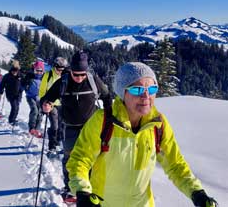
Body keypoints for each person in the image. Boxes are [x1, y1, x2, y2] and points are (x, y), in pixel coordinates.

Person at [66, 62, 218, 207]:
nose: (146, 97)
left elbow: (175, 165)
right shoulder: (103, 120)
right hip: (103, 203)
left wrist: (197, 192)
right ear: (122, 92)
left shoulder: (158, 124)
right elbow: (80, 160)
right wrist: (83, 191)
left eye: (151, 89)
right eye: (137, 90)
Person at [41, 51, 110, 200]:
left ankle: (89, 186)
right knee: (70, 159)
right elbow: (47, 98)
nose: (79, 78)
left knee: (92, 158)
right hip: (70, 126)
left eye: (82, 74)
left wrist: (109, 115)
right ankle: (70, 188)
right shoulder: (63, 82)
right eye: (76, 74)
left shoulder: (93, 80)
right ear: (71, 70)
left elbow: (107, 96)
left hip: (91, 127)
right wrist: (46, 104)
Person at [39, 57, 68, 153]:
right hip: (51, 104)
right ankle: (52, 146)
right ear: (55, 67)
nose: (60, 71)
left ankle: (59, 141)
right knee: (54, 125)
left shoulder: (65, 76)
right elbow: (42, 91)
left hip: (62, 104)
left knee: (62, 125)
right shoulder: (48, 75)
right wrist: (44, 103)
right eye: (58, 69)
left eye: (62, 69)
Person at [22, 61, 45, 137]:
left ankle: (37, 129)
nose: (38, 72)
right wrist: (25, 86)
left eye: (40, 71)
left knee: (40, 113)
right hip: (30, 96)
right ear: (34, 70)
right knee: (34, 110)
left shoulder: (44, 78)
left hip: (40, 97)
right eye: (37, 70)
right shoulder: (29, 76)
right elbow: (23, 84)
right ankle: (31, 128)